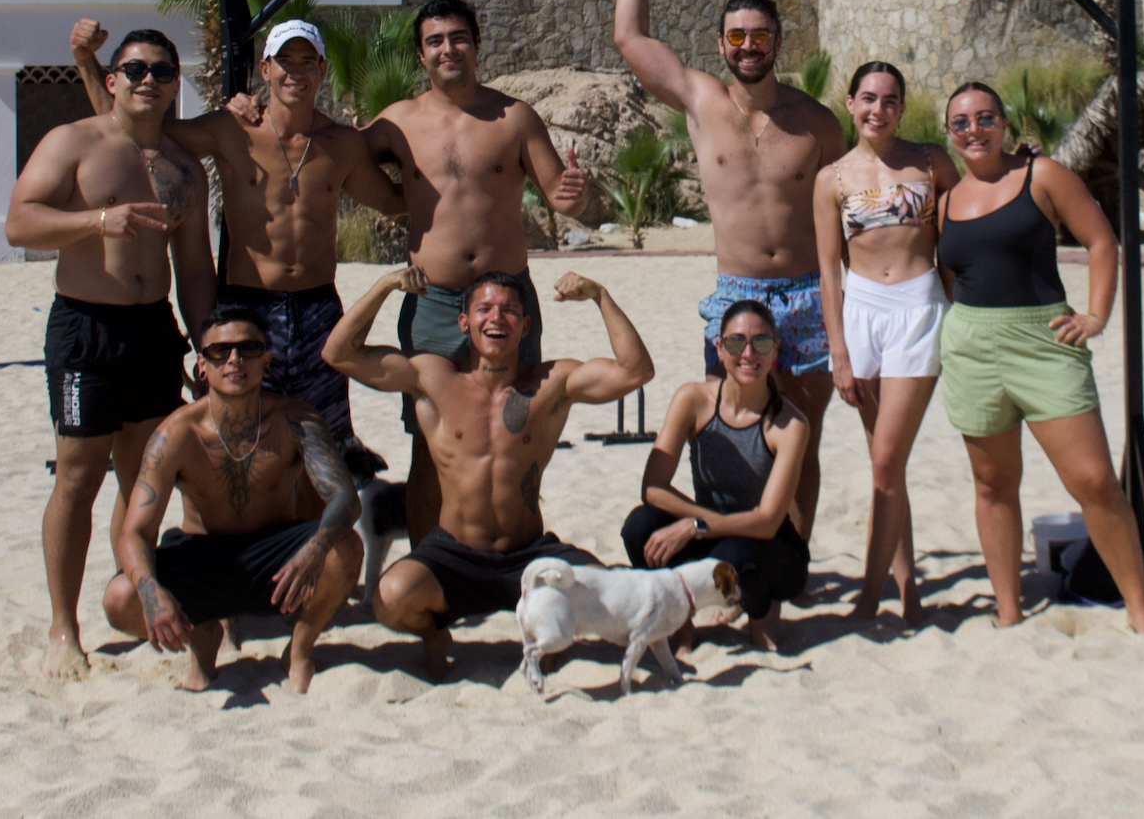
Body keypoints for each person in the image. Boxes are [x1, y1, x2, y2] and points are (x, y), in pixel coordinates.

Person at [233, 0, 589, 543]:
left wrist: (573, 194)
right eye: (435, 41)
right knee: (429, 443)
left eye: (458, 37)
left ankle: (509, 555)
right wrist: (250, 109)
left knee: (518, 435)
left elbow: (563, 200)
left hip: (505, 300)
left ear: (476, 42)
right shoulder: (396, 124)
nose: (449, 49)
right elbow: (324, 143)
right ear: (421, 55)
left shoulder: (514, 117)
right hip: (435, 302)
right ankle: (430, 562)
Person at [614, 0, 844, 535]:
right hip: (737, 293)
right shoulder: (699, 99)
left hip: (805, 294)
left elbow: (861, 200)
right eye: (737, 37)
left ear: (777, 42)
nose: (748, 47)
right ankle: (724, 554)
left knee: (802, 434)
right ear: (721, 44)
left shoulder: (817, 121)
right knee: (727, 432)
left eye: (760, 37)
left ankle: (789, 556)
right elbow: (631, 40)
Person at [69, 16, 403, 449]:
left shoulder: (342, 144)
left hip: (318, 309)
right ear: (265, 70)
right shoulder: (231, 131)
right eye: (284, 61)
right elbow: (131, 127)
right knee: (242, 440)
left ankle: (318, 519)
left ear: (322, 70)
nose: (295, 72)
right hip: (248, 306)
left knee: (323, 439)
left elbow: (395, 201)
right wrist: (85, 61)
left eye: (307, 62)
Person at [322, 266, 653, 680]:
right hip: (454, 554)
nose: (496, 318)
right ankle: (435, 635)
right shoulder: (433, 378)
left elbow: (636, 371)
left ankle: (550, 635)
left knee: (611, 594)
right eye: (484, 309)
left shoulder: (551, 383)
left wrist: (601, 295)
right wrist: (384, 286)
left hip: (529, 552)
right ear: (464, 322)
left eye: (510, 310)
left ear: (525, 324)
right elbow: (338, 354)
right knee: (390, 598)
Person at [7, 28, 215, 679]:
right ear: (115, 78)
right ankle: (63, 628)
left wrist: (209, 346)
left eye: (161, 70)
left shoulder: (183, 171)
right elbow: (20, 222)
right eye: (134, 68)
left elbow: (196, 270)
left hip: (153, 331)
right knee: (77, 475)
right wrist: (98, 222)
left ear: (176, 82)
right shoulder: (74, 142)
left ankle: (141, 603)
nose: (147, 79)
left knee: (144, 479)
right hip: (86, 330)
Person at [934, 81, 1144, 632]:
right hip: (971, 348)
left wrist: (1096, 316)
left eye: (985, 118)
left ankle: (1140, 612)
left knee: (1094, 481)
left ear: (1004, 123)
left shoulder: (1044, 176)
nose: (974, 130)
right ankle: (1008, 610)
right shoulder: (944, 203)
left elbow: (1102, 243)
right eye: (961, 123)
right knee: (992, 485)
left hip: (1044, 341)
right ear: (948, 134)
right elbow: (948, 278)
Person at [101, 305, 363, 693]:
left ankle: (301, 647)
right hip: (201, 554)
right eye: (220, 352)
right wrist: (151, 591)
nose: (235, 359)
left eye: (248, 349)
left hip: (276, 556)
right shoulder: (176, 434)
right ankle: (201, 635)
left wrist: (314, 549)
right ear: (201, 366)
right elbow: (134, 532)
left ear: (267, 361)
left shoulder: (296, 420)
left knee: (345, 546)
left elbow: (345, 497)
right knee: (120, 597)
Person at [815, 60, 956, 625]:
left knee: (884, 461)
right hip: (861, 313)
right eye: (868, 98)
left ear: (902, 107)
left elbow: (971, 221)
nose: (879, 109)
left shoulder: (930, 161)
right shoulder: (833, 178)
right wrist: (839, 352)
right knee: (887, 467)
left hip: (919, 309)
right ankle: (909, 590)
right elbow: (829, 270)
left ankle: (870, 597)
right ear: (850, 104)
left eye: (890, 100)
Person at [622, 300, 811, 651]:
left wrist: (695, 526)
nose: (749, 353)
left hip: (768, 547)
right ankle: (679, 621)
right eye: (737, 342)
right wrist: (697, 523)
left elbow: (768, 521)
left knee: (738, 558)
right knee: (640, 526)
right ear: (719, 348)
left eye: (762, 343)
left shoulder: (790, 424)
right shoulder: (693, 399)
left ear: (775, 349)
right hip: (715, 535)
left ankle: (760, 606)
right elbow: (653, 486)